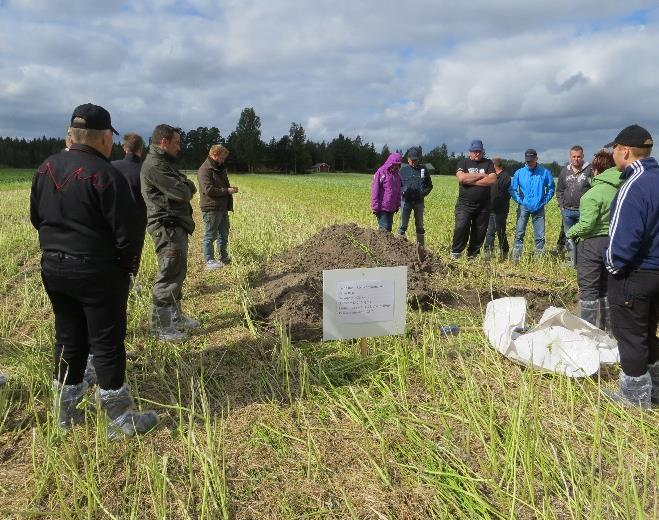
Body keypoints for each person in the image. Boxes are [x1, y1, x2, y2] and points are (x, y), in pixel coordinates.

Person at [30, 103, 157, 437]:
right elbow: (128, 233)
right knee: (107, 341)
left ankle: (64, 415)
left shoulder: (45, 168)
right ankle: (118, 419)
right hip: (97, 272)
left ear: (72, 135)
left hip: (53, 268)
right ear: (103, 137)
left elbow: (36, 218)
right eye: (109, 138)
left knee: (68, 337)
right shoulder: (105, 174)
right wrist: (125, 267)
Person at [602, 124, 658, 408]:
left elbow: (624, 238)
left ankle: (634, 398)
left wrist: (612, 266)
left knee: (630, 334)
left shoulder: (633, 185)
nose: (612, 154)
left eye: (615, 149)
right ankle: (656, 388)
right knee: (649, 330)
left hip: (635, 274)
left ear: (624, 151)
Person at [141, 124, 199, 342]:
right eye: (177, 143)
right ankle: (161, 327)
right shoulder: (156, 165)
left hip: (174, 226)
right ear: (164, 142)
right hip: (166, 227)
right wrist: (185, 187)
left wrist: (185, 186)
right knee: (168, 275)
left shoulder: (164, 163)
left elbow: (187, 185)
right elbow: (184, 191)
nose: (180, 148)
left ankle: (175, 318)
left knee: (177, 272)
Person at [565, 150, 620, 329]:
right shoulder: (622, 188)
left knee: (589, 289)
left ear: (596, 171)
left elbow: (587, 225)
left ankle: (587, 332)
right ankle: (608, 331)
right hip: (615, 243)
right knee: (606, 287)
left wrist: (571, 232)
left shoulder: (592, 195)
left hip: (592, 245)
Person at [450, 140, 497, 259]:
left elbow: (492, 180)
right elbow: (461, 178)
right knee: (461, 227)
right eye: (474, 151)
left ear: (482, 152)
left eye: (479, 151)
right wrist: (482, 175)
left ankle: (472, 255)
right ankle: (456, 252)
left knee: (479, 231)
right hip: (464, 204)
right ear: (470, 152)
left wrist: (470, 180)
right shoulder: (463, 162)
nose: (477, 153)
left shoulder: (488, 163)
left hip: (483, 205)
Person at [112, 133, 147, 287]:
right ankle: (129, 283)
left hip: (111, 218)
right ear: (141, 149)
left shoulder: (111, 167)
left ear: (124, 148)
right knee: (133, 255)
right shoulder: (144, 171)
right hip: (136, 220)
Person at [509, 149, 555, 262]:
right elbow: (513, 189)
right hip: (523, 207)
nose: (529, 163)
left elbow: (551, 188)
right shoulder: (519, 173)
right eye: (527, 161)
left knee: (540, 236)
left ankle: (538, 259)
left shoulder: (544, 172)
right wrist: (520, 200)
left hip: (539, 207)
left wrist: (544, 201)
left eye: (531, 160)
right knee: (519, 233)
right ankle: (516, 258)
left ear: (536, 159)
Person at [197, 144, 238, 270]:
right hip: (211, 208)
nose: (223, 160)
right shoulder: (205, 170)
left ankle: (223, 257)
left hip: (222, 207)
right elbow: (208, 190)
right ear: (214, 155)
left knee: (223, 234)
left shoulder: (219, 168)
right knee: (210, 235)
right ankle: (209, 261)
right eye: (221, 158)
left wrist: (229, 190)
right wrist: (227, 191)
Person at [556, 145, 593, 265]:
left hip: (583, 212)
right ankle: (570, 262)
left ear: (582, 156)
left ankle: (583, 262)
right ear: (570, 157)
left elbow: (594, 189)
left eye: (578, 156)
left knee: (583, 238)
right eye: (574, 157)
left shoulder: (590, 170)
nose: (576, 159)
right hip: (567, 211)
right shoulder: (565, 171)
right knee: (569, 237)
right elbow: (560, 190)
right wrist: (561, 205)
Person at [396, 146, 433, 254]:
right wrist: (401, 192)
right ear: (408, 159)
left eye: (416, 160)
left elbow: (429, 186)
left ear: (418, 159)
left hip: (419, 202)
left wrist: (423, 193)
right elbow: (398, 185)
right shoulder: (402, 170)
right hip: (405, 202)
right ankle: (398, 249)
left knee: (420, 226)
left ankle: (421, 250)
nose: (413, 162)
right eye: (412, 160)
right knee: (403, 226)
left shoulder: (423, 169)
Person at [370, 152, 402, 232]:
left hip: (391, 208)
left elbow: (398, 191)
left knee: (389, 229)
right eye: (394, 164)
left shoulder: (397, 176)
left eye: (398, 165)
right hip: (382, 208)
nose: (396, 167)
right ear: (390, 163)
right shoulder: (381, 172)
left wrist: (397, 205)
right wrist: (375, 206)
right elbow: (375, 189)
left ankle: (383, 244)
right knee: (384, 230)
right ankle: (380, 244)